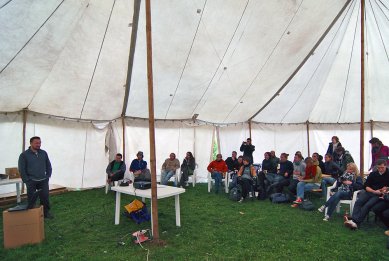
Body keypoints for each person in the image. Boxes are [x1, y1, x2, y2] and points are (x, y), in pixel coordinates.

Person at [345, 159, 389, 229]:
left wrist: (385, 189)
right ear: (377, 167)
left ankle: (356, 222)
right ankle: (354, 220)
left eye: (382, 168)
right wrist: (373, 191)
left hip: (380, 195)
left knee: (368, 205)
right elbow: (365, 186)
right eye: (379, 168)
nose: (380, 169)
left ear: (386, 166)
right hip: (370, 192)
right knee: (359, 202)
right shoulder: (373, 174)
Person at [18, 136, 53, 219]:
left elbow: (48, 165)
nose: (38, 144)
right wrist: (27, 180)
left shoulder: (43, 153)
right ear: (31, 143)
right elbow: (22, 169)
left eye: (40, 143)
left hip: (43, 180)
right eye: (36, 143)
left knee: (45, 197)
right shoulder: (24, 155)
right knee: (32, 198)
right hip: (31, 181)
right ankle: (32, 214)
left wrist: (48, 175)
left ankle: (45, 213)